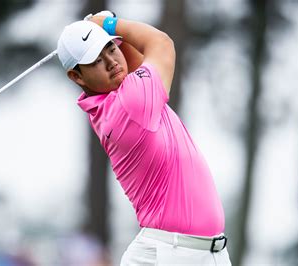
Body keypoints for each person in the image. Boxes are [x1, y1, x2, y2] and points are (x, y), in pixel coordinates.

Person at [57, 11, 232, 265]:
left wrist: (112, 36)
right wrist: (109, 23)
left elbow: (136, 63)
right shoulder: (130, 103)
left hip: (198, 253)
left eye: (110, 48)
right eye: (95, 60)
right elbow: (161, 44)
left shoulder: (119, 99)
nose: (111, 62)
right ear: (77, 76)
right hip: (169, 254)